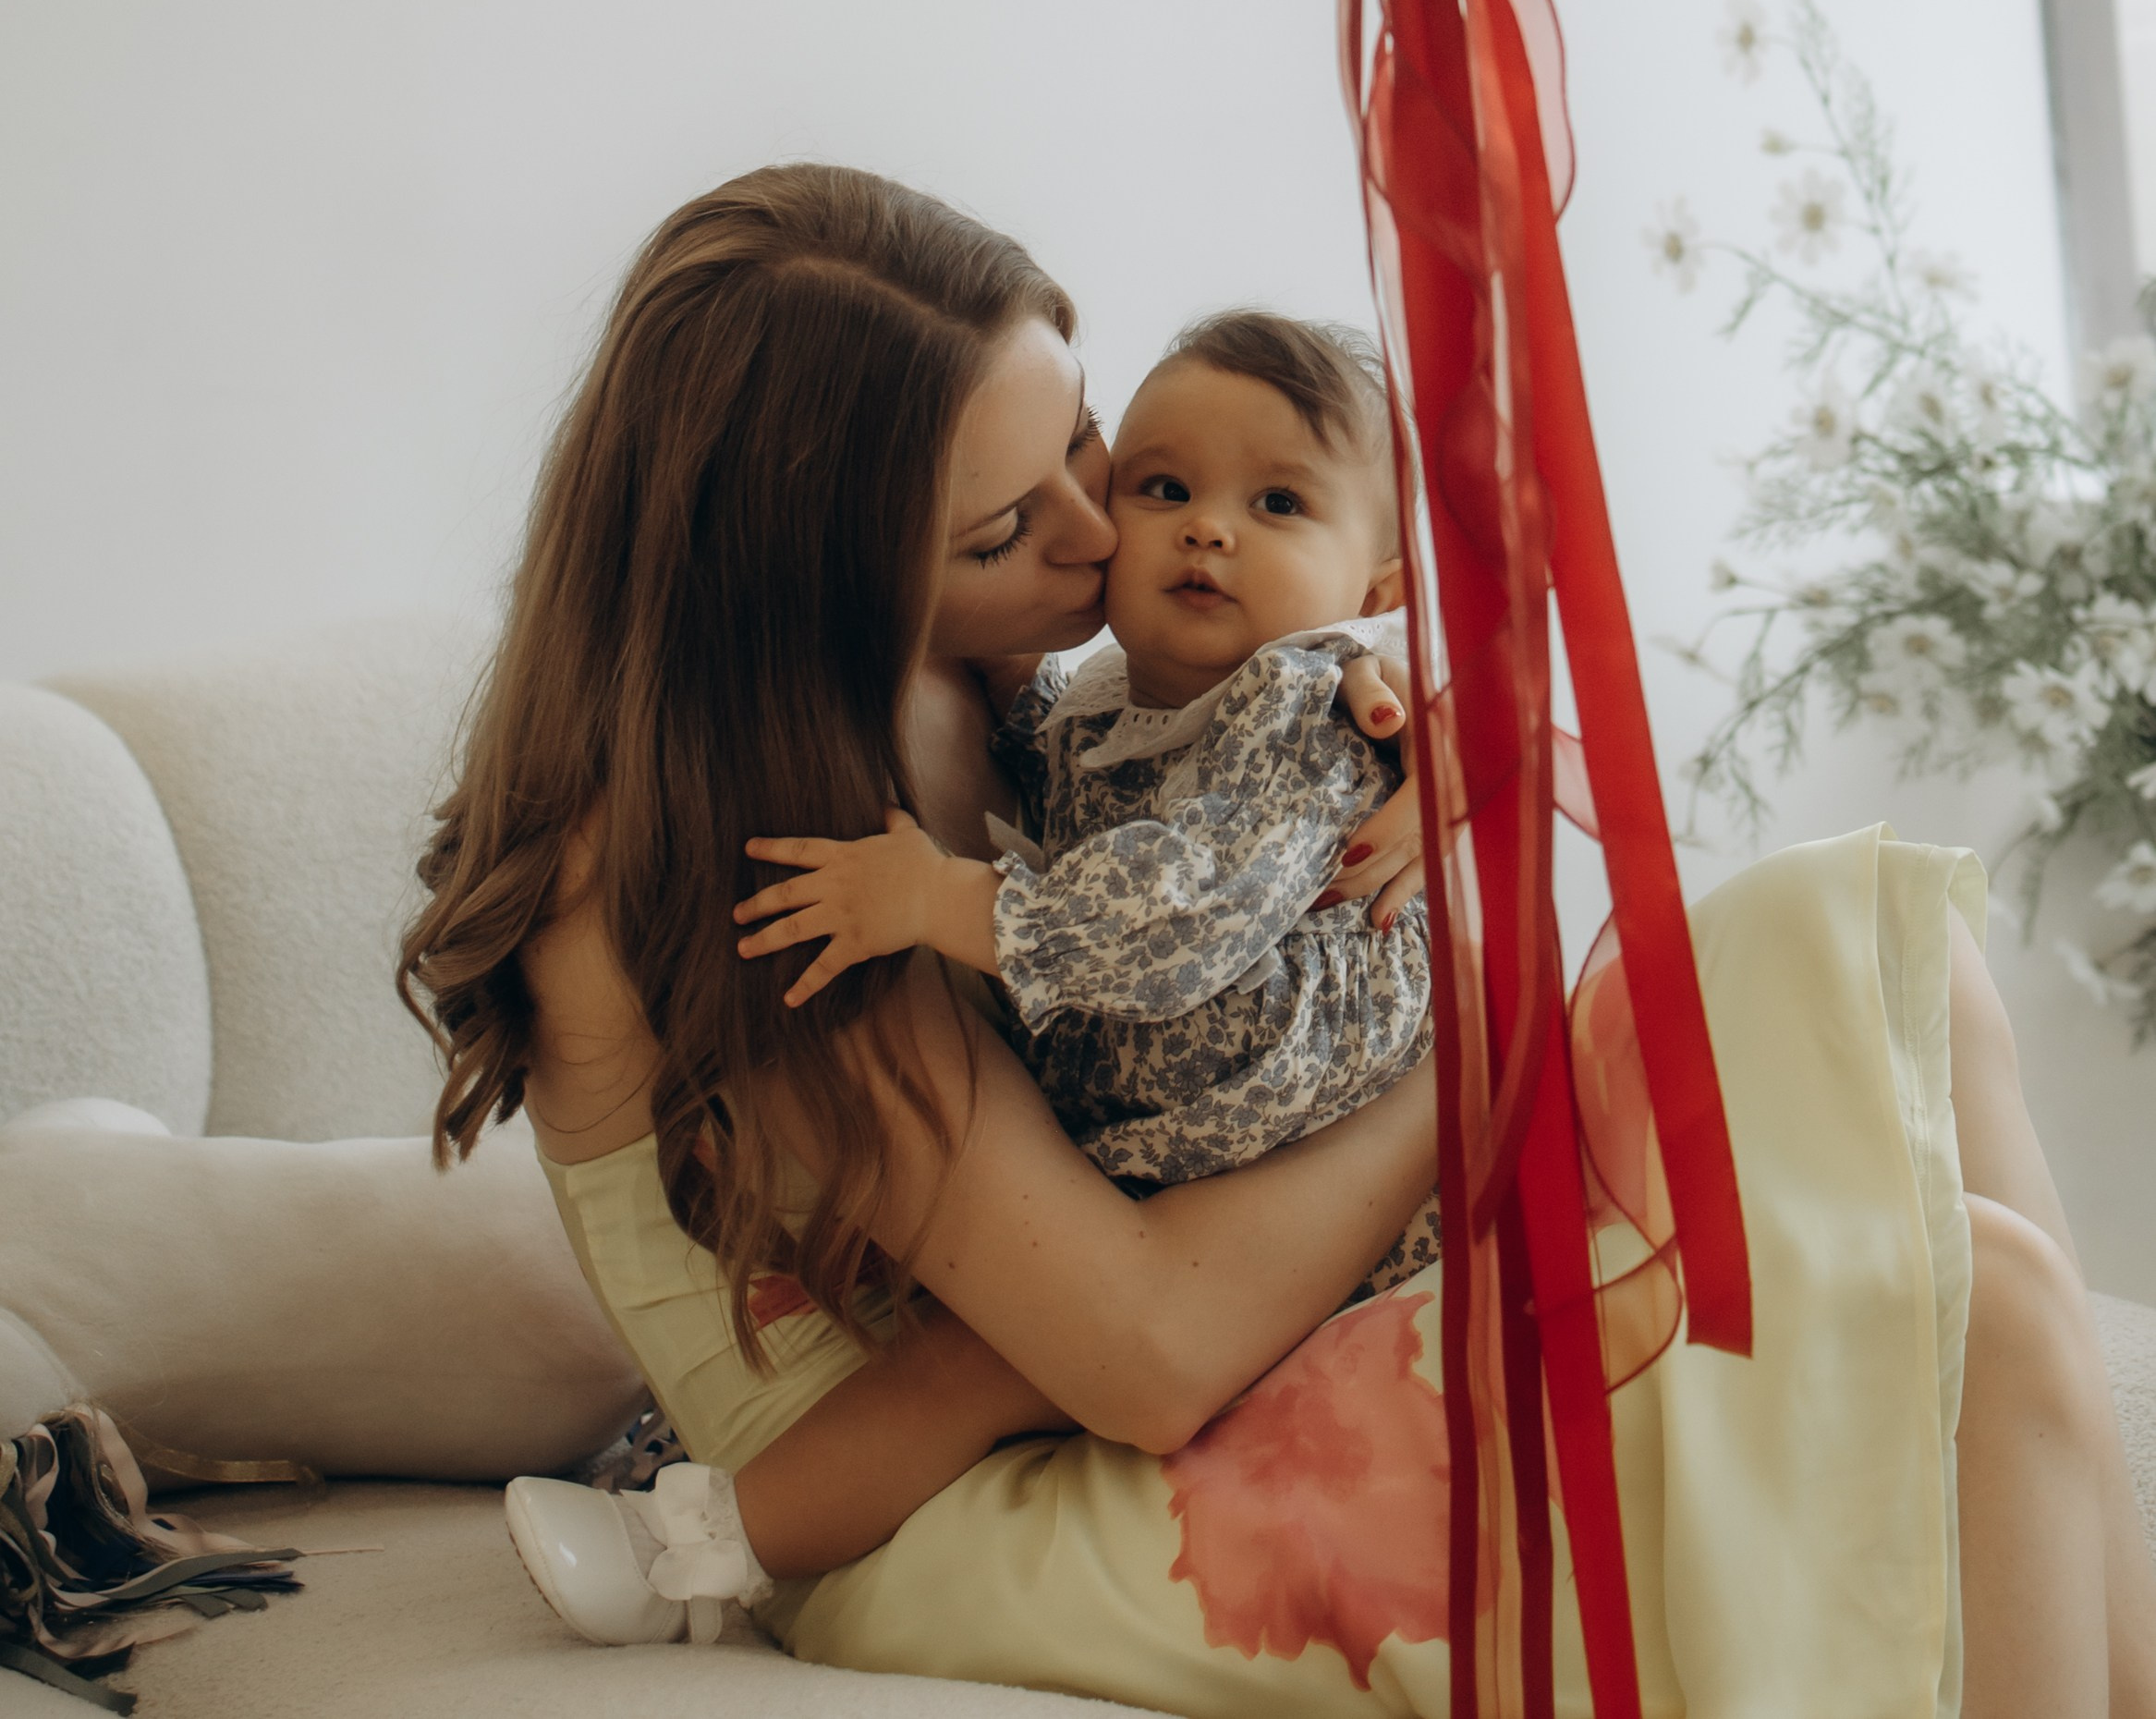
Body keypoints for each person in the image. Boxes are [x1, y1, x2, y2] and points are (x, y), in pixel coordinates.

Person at [400, 165, 2156, 1718]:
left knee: (1879, 957)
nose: (1103, 542)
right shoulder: (740, 858)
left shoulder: (962, 675)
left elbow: (1239, 796)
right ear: (815, 580)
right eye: (1011, 529)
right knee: (1982, 1304)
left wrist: (1382, 730)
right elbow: (1144, 1350)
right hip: (961, 1503)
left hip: (1157, 1300)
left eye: (1084, 446)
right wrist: (1475, 1033)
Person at [736, 308, 1434, 1221]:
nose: (1207, 529)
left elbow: (1168, 915)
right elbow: (1084, 799)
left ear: (1375, 591)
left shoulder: (1301, 712)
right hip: (1190, 1171)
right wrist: (1015, 685)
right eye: (1164, 485)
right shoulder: (1106, 693)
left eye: (1277, 503)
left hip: (1336, 1143)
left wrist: (929, 898)